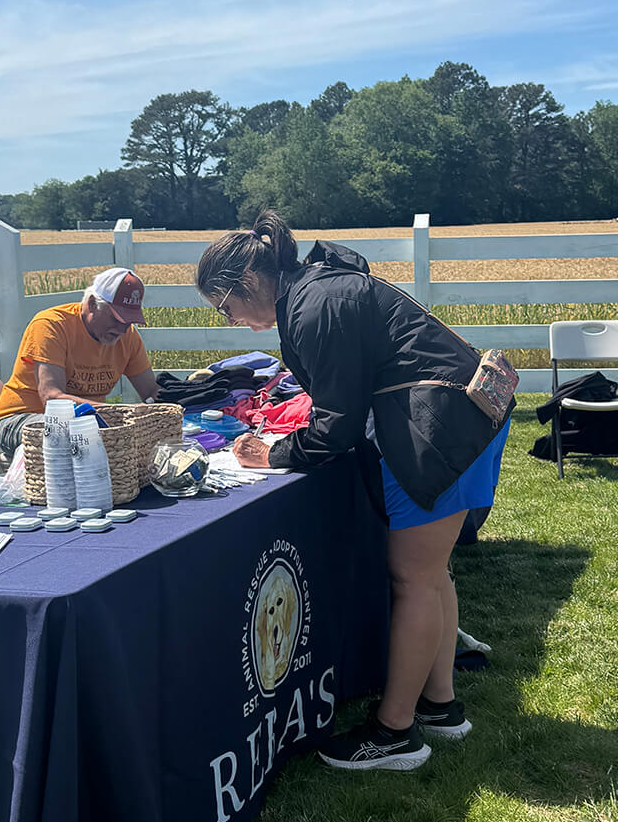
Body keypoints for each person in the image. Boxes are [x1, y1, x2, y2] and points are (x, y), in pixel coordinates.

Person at [195, 210, 513, 771]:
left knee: (413, 578)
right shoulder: (321, 286)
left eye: (223, 305)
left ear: (246, 283)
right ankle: (440, 706)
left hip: (441, 428)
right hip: (469, 413)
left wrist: (272, 452)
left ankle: (395, 734)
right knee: (432, 573)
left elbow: (335, 426)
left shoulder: (314, 305)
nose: (229, 318)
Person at [0, 267, 160, 453]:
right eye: (117, 318)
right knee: (75, 434)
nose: (122, 328)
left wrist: (183, 400)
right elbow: (52, 399)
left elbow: (151, 392)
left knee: (95, 434)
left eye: (129, 321)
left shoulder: (127, 336)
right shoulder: (51, 325)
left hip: (87, 422)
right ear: (92, 303)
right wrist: (117, 413)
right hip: (21, 419)